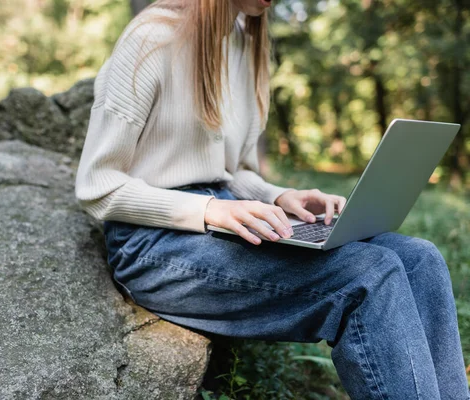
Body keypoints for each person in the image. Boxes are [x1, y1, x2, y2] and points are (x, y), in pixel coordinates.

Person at [75, 0, 469, 398]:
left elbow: (233, 171)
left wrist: (280, 196)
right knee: (368, 273)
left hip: (225, 215)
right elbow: (98, 186)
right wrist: (211, 209)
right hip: (152, 243)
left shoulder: (246, 43)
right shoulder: (151, 38)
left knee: (420, 259)